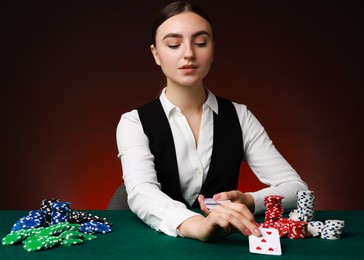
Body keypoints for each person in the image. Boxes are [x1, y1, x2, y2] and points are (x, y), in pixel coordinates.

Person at [116, 1, 308, 242]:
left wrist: (249, 200)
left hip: (223, 248)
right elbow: (141, 192)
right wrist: (196, 225)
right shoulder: (133, 123)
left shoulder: (240, 116)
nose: (188, 53)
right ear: (156, 54)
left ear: (212, 50)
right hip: (151, 244)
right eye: (174, 44)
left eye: (200, 43)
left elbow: (297, 188)